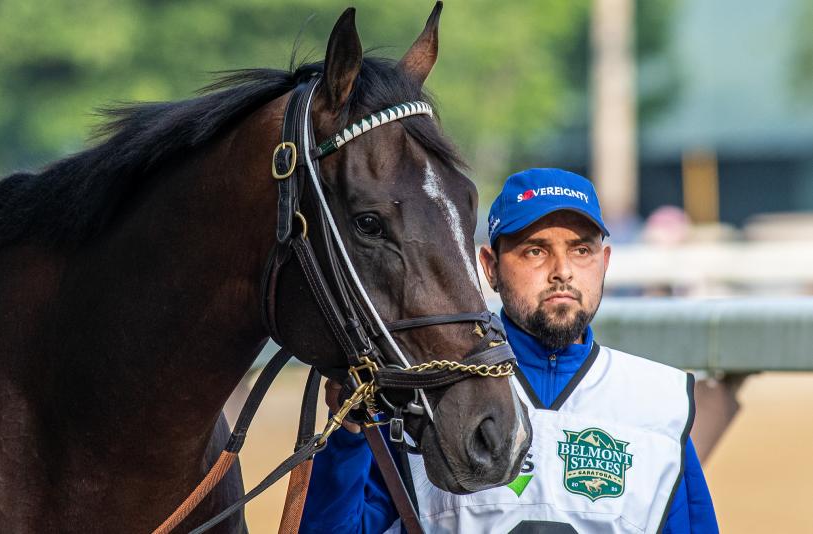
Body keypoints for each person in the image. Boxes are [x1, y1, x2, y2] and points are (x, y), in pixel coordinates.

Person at [299, 168, 718, 533]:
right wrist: (348, 438)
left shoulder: (661, 402)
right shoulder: (420, 397)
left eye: (582, 250)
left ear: (605, 262)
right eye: (536, 250)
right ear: (490, 266)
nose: (563, 271)